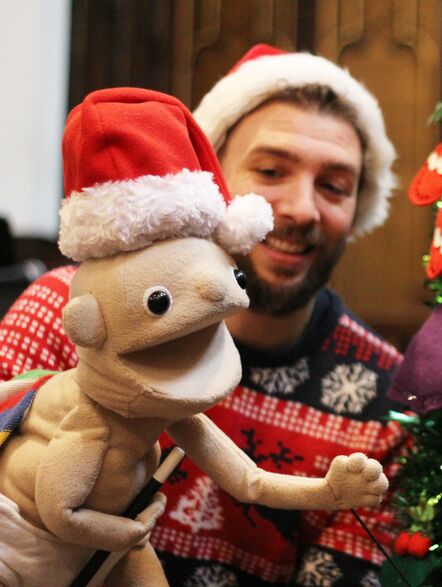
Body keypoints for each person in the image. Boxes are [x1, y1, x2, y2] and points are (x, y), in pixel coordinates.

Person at [0, 44, 405, 586]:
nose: (302, 208)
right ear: (213, 181)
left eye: (334, 186)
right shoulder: (62, 310)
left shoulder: (386, 395)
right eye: (270, 170)